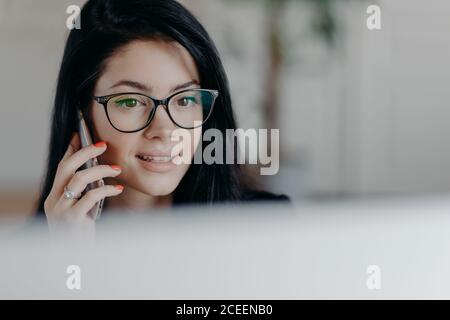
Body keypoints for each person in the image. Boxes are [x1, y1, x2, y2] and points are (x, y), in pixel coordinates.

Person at [34, 0, 289, 231]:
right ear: (82, 112)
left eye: (185, 99)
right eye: (131, 101)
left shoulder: (268, 225)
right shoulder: (29, 258)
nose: (164, 130)